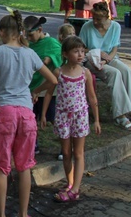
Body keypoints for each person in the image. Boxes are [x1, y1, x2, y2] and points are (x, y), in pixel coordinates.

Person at [0, 11, 56, 217]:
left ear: (1, 32)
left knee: (1, 167)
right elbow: (53, 79)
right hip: (27, 114)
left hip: (4, 113)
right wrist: (34, 92)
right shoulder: (30, 54)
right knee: (25, 166)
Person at [40, 36, 100, 202]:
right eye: (76, 51)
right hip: (62, 116)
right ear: (65, 54)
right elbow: (49, 93)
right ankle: (70, 182)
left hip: (80, 116)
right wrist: (44, 114)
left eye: (82, 51)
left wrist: (96, 119)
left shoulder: (85, 73)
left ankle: (75, 189)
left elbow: (92, 97)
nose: (80, 54)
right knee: (66, 152)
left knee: (78, 153)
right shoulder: (58, 72)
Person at [80, 2, 131, 131]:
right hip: (91, 60)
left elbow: (115, 46)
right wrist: (98, 54)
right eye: (93, 18)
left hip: (110, 58)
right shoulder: (86, 27)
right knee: (114, 74)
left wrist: (108, 59)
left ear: (106, 17)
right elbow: (82, 48)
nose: (95, 21)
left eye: (98, 19)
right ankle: (120, 115)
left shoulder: (115, 26)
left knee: (127, 71)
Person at [24, 15, 62, 155]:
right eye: (26, 35)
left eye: (31, 35)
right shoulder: (28, 45)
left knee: (52, 117)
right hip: (31, 87)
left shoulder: (52, 42)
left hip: (46, 89)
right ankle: (34, 143)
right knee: (31, 118)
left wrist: (49, 59)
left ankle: (64, 144)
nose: (29, 38)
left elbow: (59, 54)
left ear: (40, 30)